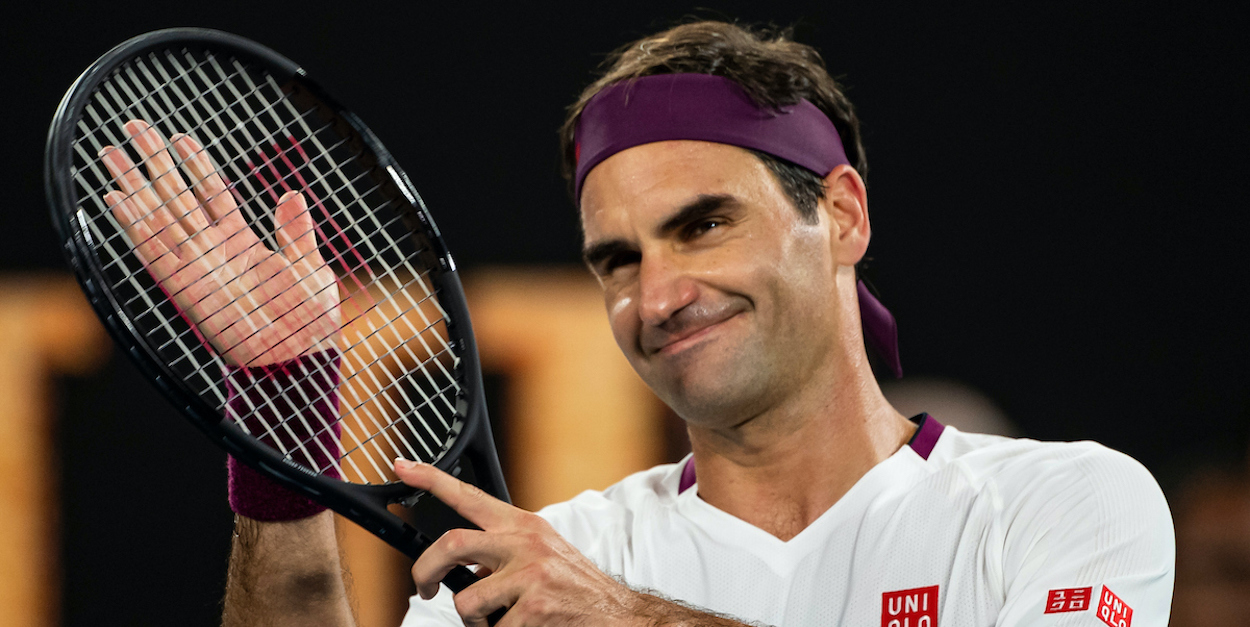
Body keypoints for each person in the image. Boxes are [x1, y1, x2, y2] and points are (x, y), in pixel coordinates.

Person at [103, 19, 1175, 627]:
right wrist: (286, 418)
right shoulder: (547, 563)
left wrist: (624, 619)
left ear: (841, 215)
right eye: (617, 260)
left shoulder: (1066, 504)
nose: (656, 297)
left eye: (702, 226)